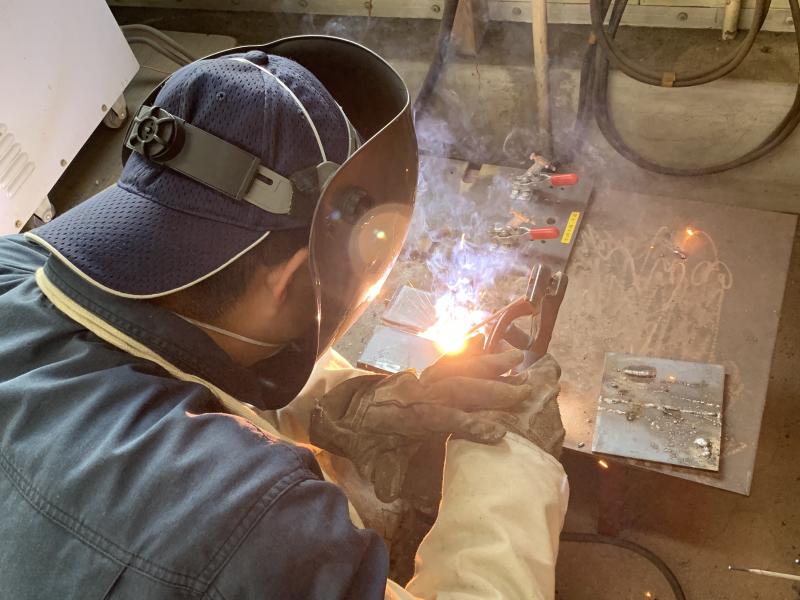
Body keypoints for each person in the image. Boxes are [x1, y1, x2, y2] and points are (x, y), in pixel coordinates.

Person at [0, 36, 569, 599]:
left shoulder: (14, 263)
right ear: (293, 277)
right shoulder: (250, 523)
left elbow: (157, 349)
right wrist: (514, 468)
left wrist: (336, 402)